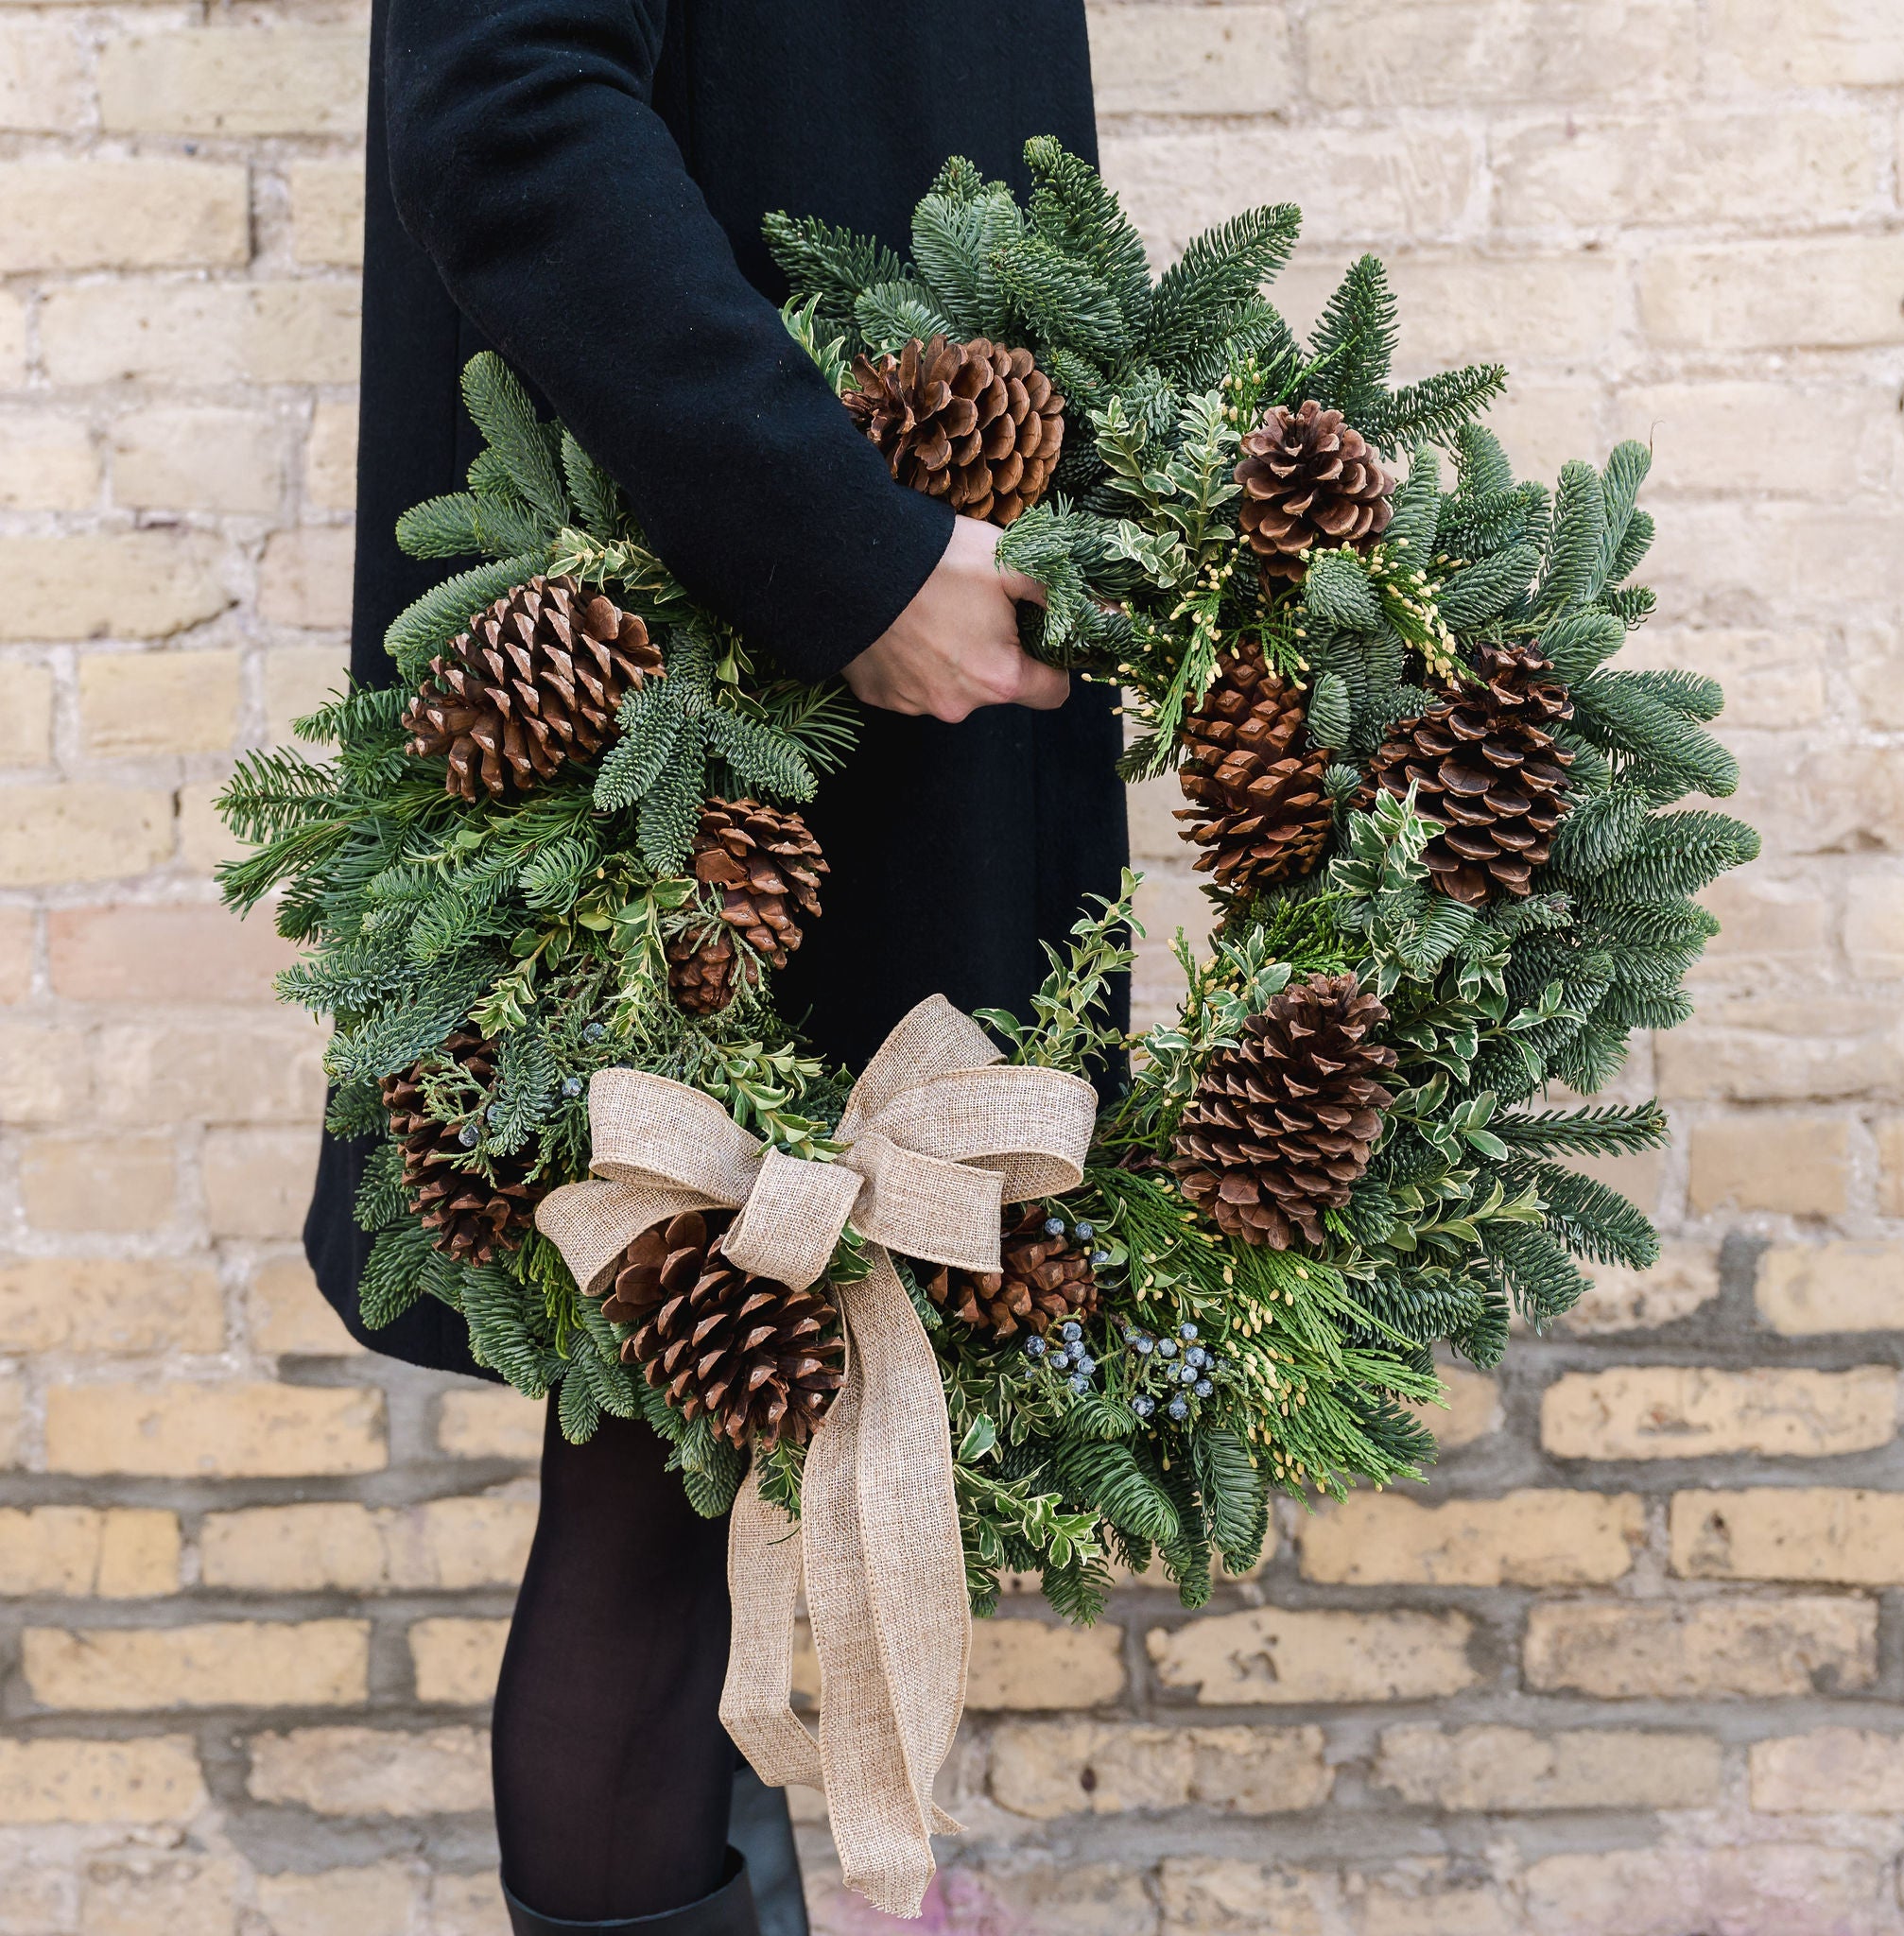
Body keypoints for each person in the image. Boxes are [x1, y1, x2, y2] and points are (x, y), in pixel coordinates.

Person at [306, 3, 1128, 1930]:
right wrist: (847, 551)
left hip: (877, 653)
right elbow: (505, 108)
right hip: (692, 692)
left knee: (725, 1450)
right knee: (642, 1469)